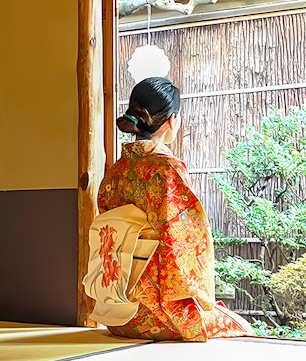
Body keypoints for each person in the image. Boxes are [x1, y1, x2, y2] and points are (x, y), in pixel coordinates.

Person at [96, 76, 256, 342]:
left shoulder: (115, 171)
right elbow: (184, 239)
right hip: (160, 317)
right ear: (172, 120)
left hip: (120, 314)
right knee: (240, 327)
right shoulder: (166, 168)